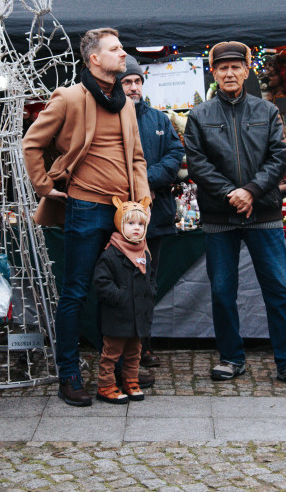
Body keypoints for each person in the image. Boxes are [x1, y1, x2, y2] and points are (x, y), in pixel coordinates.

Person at [23, 27, 150, 407]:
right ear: (94, 58)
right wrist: (44, 187)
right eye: (115, 49)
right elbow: (31, 143)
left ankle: (111, 373)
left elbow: (138, 157)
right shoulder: (70, 97)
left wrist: (143, 200)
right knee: (76, 293)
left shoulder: (125, 102)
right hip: (82, 208)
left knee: (117, 294)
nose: (122, 52)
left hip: (123, 215)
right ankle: (69, 374)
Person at [184, 41, 286, 388]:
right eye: (222, 68)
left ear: (246, 70)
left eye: (235, 67)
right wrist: (231, 193)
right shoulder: (199, 116)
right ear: (214, 72)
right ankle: (231, 358)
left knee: (279, 289)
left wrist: (251, 191)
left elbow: (279, 157)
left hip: (263, 214)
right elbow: (197, 164)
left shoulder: (267, 111)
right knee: (223, 292)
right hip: (219, 216)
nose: (229, 73)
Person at [118, 55, 184, 366]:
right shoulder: (111, 118)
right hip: (120, 218)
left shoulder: (159, 120)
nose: (133, 87)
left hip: (155, 217)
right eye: (127, 82)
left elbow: (175, 154)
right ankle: (122, 347)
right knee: (124, 280)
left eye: (136, 82)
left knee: (148, 281)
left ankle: (143, 344)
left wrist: (147, 179)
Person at [91, 197, 155, 404]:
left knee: (134, 353)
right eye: (130, 223)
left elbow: (150, 278)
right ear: (120, 224)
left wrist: (149, 295)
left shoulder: (144, 251)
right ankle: (106, 384)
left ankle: (131, 380)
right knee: (111, 354)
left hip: (138, 316)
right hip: (118, 315)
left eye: (140, 224)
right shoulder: (112, 253)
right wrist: (119, 297)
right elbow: (101, 282)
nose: (136, 228)